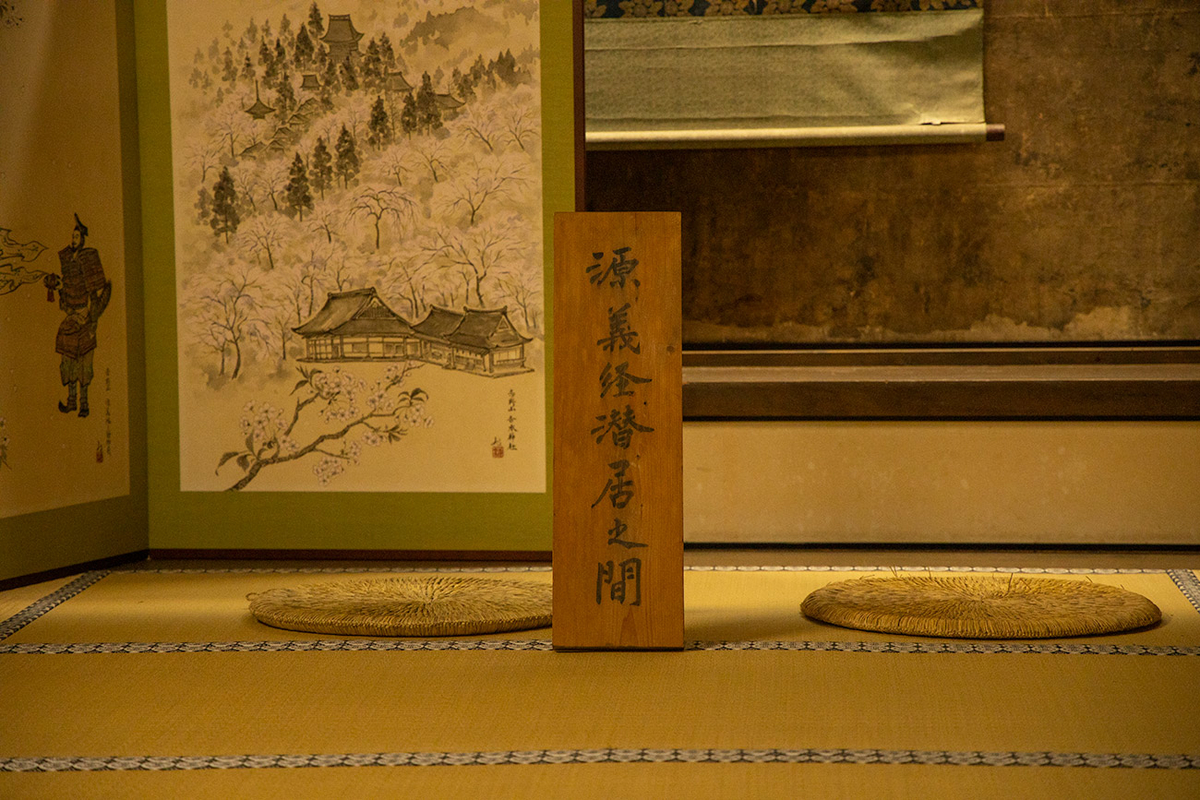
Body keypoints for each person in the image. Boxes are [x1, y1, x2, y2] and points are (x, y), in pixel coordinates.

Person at [52, 214, 110, 417]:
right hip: (72, 316)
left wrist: (91, 318)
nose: (73, 239)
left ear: (82, 239)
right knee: (68, 361)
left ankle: (84, 404)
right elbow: (65, 293)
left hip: (85, 318)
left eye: (77, 236)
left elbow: (95, 291)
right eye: (72, 236)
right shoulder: (67, 261)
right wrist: (57, 287)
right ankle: (71, 402)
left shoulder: (88, 260)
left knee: (84, 364)